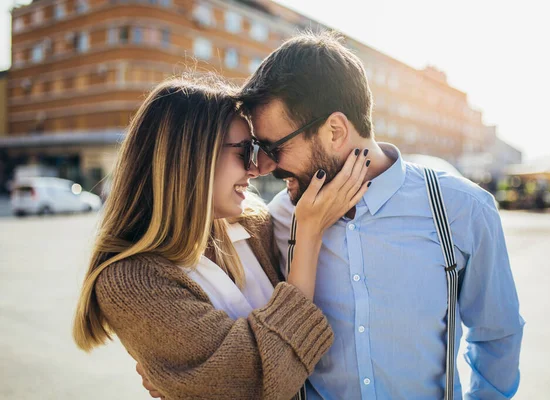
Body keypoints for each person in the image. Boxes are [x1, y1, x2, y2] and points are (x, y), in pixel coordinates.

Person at [240, 31, 524, 399]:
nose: (262, 166)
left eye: (273, 147)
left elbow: (497, 334)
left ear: (335, 131)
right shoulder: (276, 219)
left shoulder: (464, 209)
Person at [72, 76, 371, 400]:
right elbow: (251, 382)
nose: (257, 168)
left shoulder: (256, 225)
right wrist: (309, 237)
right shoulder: (128, 281)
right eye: (245, 151)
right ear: (191, 157)